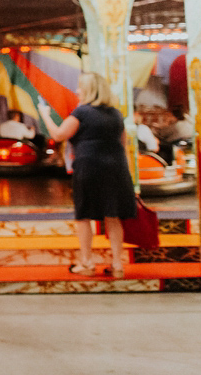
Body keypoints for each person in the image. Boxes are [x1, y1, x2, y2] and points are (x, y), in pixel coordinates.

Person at [39, 72, 136, 278]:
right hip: (116, 166)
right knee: (113, 214)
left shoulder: (81, 113)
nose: (77, 91)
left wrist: (45, 114)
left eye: (80, 87)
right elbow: (123, 143)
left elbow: (58, 135)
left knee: (84, 215)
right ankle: (117, 264)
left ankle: (87, 262)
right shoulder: (116, 114)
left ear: (90, 90)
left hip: (90, 165)